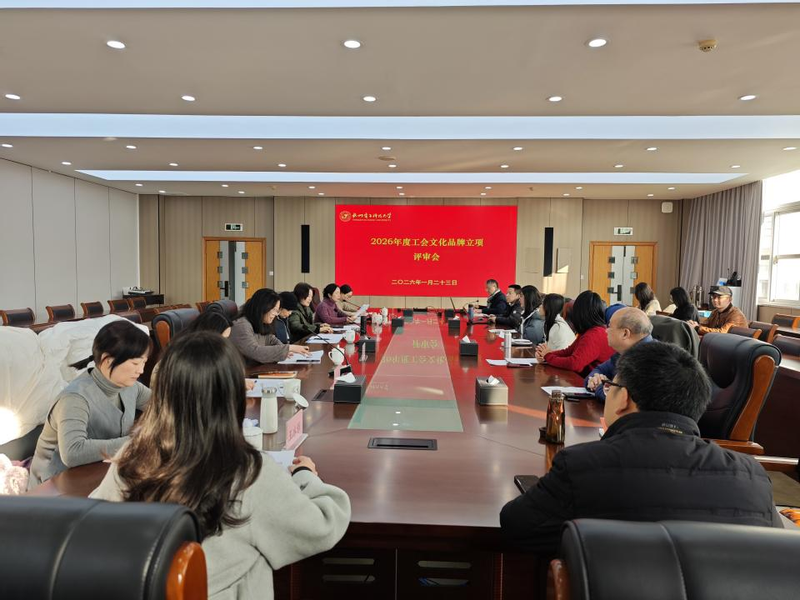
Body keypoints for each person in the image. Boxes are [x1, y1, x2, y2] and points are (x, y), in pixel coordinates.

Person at [90, 332, 351, 600]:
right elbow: (321, 527)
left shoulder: (133, 456)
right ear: (233, 395)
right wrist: (305, 475)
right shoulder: (247, 471)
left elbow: (94, 523)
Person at [500, 342, 781, 553]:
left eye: (610, 386)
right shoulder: (752, 476)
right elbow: (776, 554)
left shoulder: (582, 465)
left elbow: (516, 525)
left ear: (624, 399)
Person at [28, 320, 152, 489]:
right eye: (136, 363)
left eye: (144, 363)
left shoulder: (131, 387)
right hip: (54, 485)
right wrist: (137, 442)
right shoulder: (75, 398)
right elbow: (73, 452)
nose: (141, 370)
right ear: (107, 360)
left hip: (97, 473)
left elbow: (165, 408)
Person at [535, 290, 614, 376]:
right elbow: (568, 351)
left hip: (593, 381)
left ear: (578, 313)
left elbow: (574, 363)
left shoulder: (595, 334)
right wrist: (545, 355)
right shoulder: (588, 331)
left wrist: (548, 356)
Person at [585, 307, 655, 401]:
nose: (606, 330)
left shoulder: (650, 359)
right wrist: (594, 379)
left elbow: (621, 400)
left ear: (625, 333)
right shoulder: (624, 351)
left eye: (609, 326)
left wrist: (599, 387)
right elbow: (598, 370)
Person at [230, 288, 310, 364]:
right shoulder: (241, 325)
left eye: (277, 311)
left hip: (256, 367)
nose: (276, 314)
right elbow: (255, 352)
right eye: (274, 310)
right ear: (263, 308)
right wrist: (288, 348)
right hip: (245, 371)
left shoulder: (260, 321)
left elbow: (270, 339)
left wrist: (287, 350)